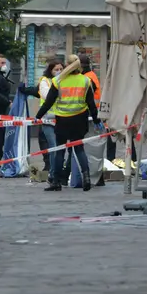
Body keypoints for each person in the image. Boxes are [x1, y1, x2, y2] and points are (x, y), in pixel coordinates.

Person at [35, 54, 100, 192]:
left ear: (66, 65)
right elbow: (91, 104)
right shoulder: (85, 81)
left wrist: (38, 116)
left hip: (63, 119)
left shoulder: (58, 81)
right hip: (80, 119)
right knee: (79, 149)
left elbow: (49, 102)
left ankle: (56, 182)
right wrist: (96, 120)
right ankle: (86, 177)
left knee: (60, 151)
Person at [20, 59, 63, 175]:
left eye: (60, 69)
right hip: (47, 118)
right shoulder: (45, 81)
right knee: (51, 144)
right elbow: (44, 94)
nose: (59, 71)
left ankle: (57, 169)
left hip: (62, 117)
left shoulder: (64, 81)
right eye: (56, 69)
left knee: (59, 146)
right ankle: (52, 169)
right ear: (50, 70)